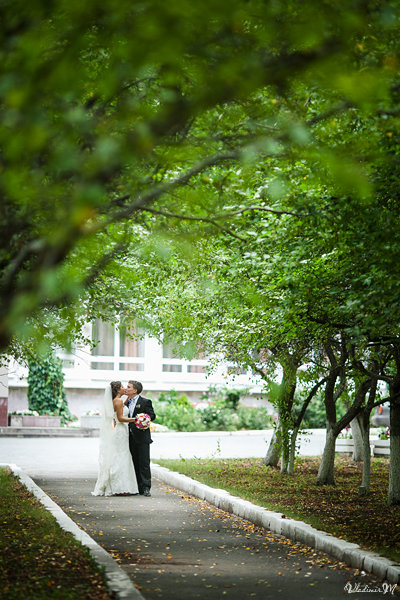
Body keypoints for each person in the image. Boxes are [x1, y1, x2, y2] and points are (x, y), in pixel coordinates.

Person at [92, 381, 139, 496]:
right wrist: (136, 419)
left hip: (120, 430)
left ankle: (119, 485)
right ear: (117, 390)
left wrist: (128, 397)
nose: (124, 389)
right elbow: (121, 418)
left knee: (120, 455)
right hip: (120, 431)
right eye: (122, 387)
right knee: (120, 456)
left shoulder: (118, 401)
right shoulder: (117, 401)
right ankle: (118, 487)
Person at [125, 380, 156, 497]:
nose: (126, 389)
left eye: (128, 387)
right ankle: (137, 487)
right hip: (128, 437)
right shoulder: (126, 403)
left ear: (135, 390)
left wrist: (144, 418)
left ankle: (146, 487)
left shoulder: (145, 402)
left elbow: (152, 415)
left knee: (144, 462)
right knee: (133, 462)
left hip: (142, 437)